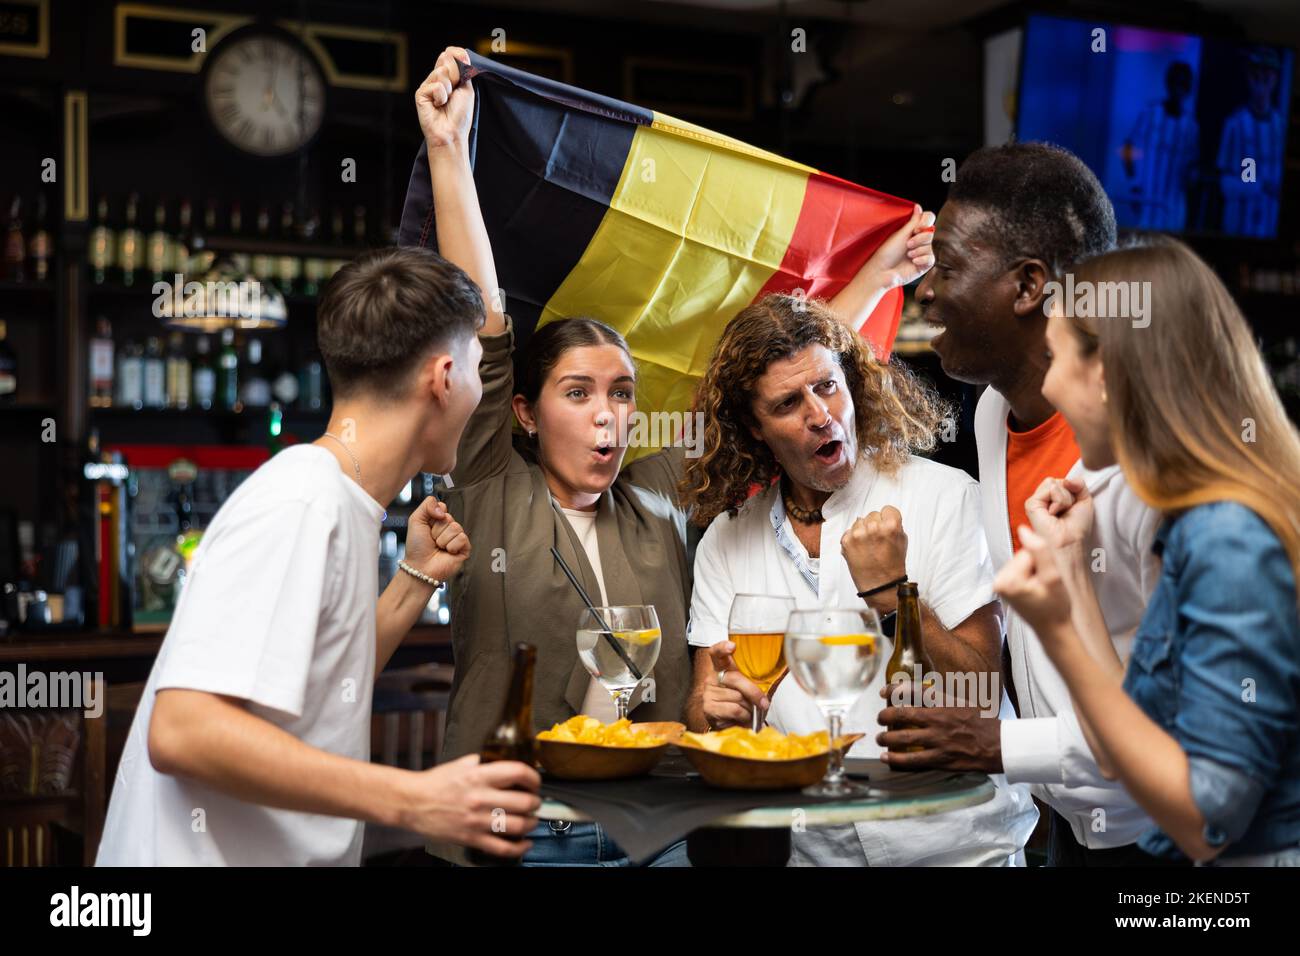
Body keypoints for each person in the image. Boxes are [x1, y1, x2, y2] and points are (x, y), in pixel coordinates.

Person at [412, 47, 939, 866]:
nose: (608, 417)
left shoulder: (660, 490)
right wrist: (450, 149)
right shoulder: (487, 479)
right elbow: (483, 318)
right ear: (523, 410)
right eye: (579, 393)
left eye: (622, 394)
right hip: (510, 831)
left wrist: (874, 274)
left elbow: (771, 376)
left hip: (650, 833)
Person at [96, 245, 541, 866]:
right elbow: (181, 729)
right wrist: (417, 799)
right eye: (475, 366)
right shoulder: (303, 500)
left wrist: (415, 580)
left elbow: (328, 682)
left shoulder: (339, 500)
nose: (481, 390)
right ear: (443, 380)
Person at [877, 142, 1176, 866]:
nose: (926, 291)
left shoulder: (1151, 458)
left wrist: (1000, 743)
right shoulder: (988, 415)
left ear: (1027, 284)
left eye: (947, 269)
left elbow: (1190, 722)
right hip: (1075, 831)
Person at [681, 292, 1039, 866]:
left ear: (851, 381)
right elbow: (703, 708)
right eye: (787, 403)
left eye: (827, 385)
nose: (820, 414)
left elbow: (979, 697)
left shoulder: (945, 497)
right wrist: (718, 715)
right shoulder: (727, 539)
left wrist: (893, 595)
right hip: (812, 855)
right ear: (753, 425)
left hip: (958, 852)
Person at [995, 236, 1300, 865]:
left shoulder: (1227, 537)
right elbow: (1120, 748)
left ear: (1104, 374)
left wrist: (1052, 632)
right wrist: (1074, 572)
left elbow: (1205, 821)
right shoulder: (1196, 522)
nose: (1047, 386)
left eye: (1054, 358)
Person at [1216, 47, 1286, 238]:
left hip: (1271, 231)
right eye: (1256, 71)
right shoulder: (1235, 124)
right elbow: (1226, 184)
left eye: (1267, 72)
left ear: (1276, 78)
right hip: (1239, 230)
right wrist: (1259, 186)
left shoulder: (1281, 126)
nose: (1261, 77)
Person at [1121, 61, 1199, 231]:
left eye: (1183, 84)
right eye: (1175, 82)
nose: (1179, 89)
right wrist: (1134, 185)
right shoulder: (1150, 113)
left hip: (1174, 210)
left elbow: (1192, 166)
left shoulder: (1191, 126)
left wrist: (1192, 176)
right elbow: (1127, 148)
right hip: (1148, 204)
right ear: (1168, 84)